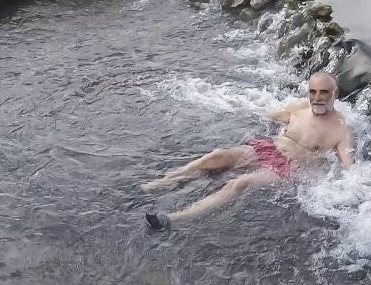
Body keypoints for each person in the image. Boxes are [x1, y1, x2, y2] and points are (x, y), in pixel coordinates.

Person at [143, 73, 353, 230]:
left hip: (288, 168)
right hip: (268, 147)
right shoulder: (299, 108)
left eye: (324, 92)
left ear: (335, 93)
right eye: (313, 92)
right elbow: (264, 114)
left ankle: (174, 218)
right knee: (217, 155)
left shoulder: (341, 129)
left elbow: (350, 168)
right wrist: (233, 105)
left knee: (239, 183)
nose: (317, 97)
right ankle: (164, 182)